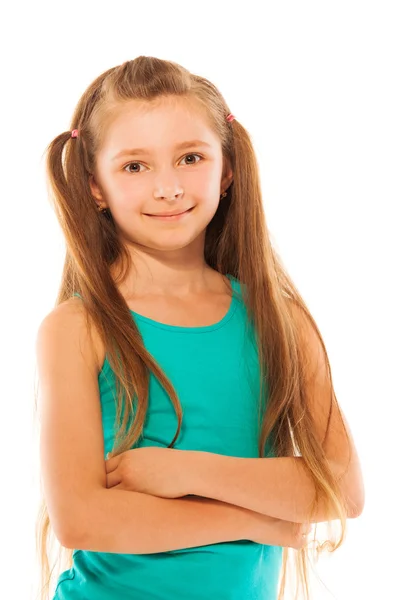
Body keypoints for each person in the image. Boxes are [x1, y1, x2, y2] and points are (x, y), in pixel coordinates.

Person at [34, 56, 364, 600]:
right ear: (95, 186)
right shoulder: (77, 328)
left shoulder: (279, 319)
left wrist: (185, 471)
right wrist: (251, 520)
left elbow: (341, 489)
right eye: (134, 166)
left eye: (190, 157)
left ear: (226, 170)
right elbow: (82, 518)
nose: (168, 188)